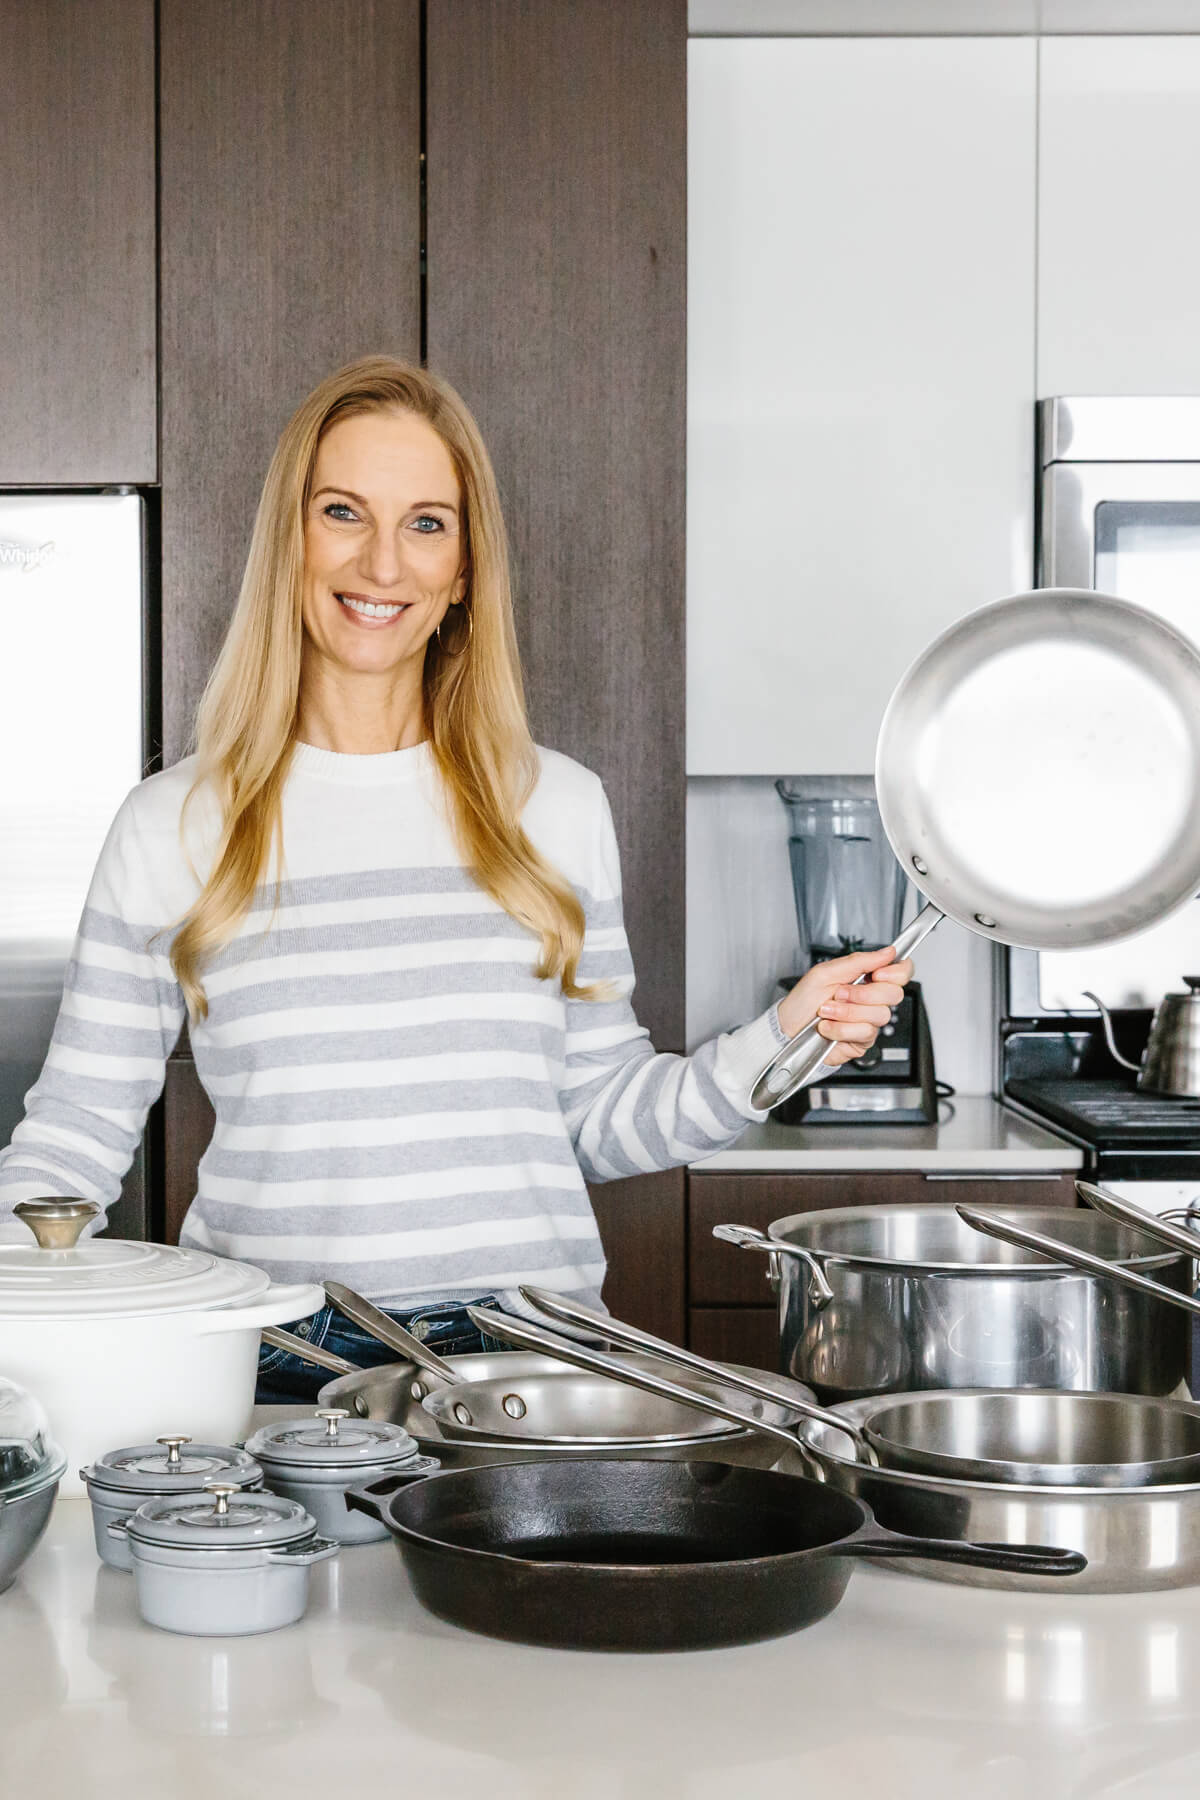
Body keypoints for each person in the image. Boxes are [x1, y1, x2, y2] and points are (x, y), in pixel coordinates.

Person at [0, 356, 912, 1401]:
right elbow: (71, 1139)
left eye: (427, 523)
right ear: (289, 540)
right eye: (343, 511)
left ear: (467, 566)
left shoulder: (554, 806)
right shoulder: (175, 825)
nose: (383, 561)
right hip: (278, 1361)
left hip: (534, 1361)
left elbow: (602, 1117)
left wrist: (783, 1039)